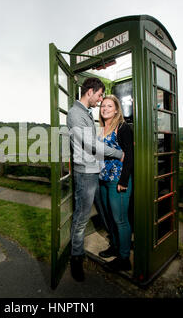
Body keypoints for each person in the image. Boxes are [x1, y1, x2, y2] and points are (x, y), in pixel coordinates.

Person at [67, 78, 124, 282]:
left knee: (105, 211)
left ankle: (117, 245)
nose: (100, 100)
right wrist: (118, 154)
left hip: (95, 171)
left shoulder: (85, 113)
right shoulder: (75, 114)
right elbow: (91, 145)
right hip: (85, 173)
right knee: (81, 218)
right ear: (90, 91)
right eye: (100, 95)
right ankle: (76, 258)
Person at [98, 94, 134, 272]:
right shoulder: (101, 129)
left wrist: (124, 181)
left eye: (109, 106)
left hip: (117, 181)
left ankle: (124, 258)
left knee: (120, 220)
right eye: (103, 106)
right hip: (103, 180)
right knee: (109, 217)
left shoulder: (122, 128)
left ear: (117, 109)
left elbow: (129, 156)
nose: (105, 109)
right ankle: (115, 245)